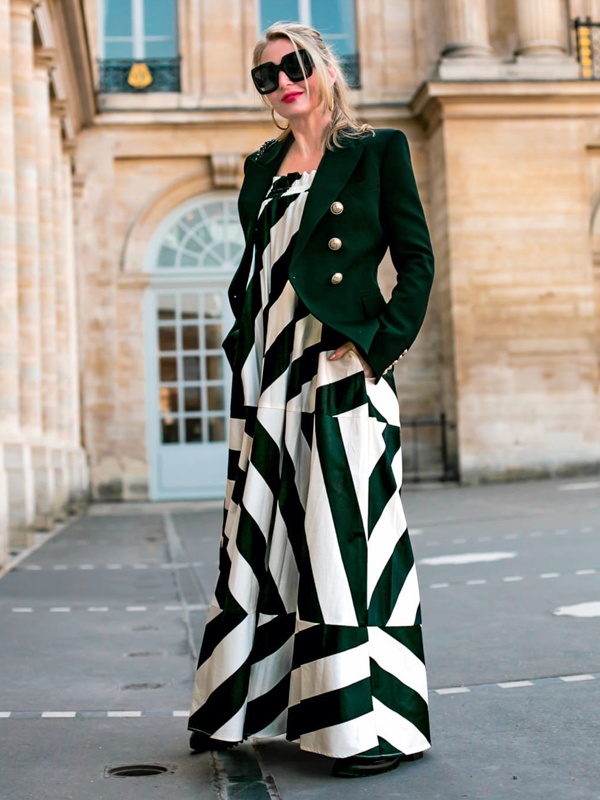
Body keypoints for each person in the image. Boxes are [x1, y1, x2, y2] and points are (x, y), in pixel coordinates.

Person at [188, 21, 434, 779]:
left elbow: (416, 262)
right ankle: (244, 708)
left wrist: (373, 348)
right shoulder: (261, 166)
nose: (283, 82)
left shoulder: (375, 152)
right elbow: (258, 276)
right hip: (272, 380)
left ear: (323, 66)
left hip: (338, 380)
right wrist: (248, 356)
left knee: (340, 546)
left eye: (293, 66)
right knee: (261, 543)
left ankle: (364, 726)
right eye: (267, 77)